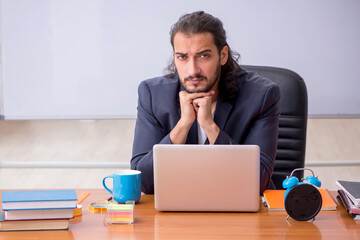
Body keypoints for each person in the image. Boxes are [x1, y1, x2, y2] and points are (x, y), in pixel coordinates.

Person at [131, 11, 280, 194]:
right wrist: (182, 126)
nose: (192, 70)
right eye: (182, 57)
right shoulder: (153, 94)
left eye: (203, 56)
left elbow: (258, 181)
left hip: (239, 209)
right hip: (178, 206)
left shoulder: (261, 95)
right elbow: (142, 181)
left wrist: (210, 126)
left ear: (223, 55)